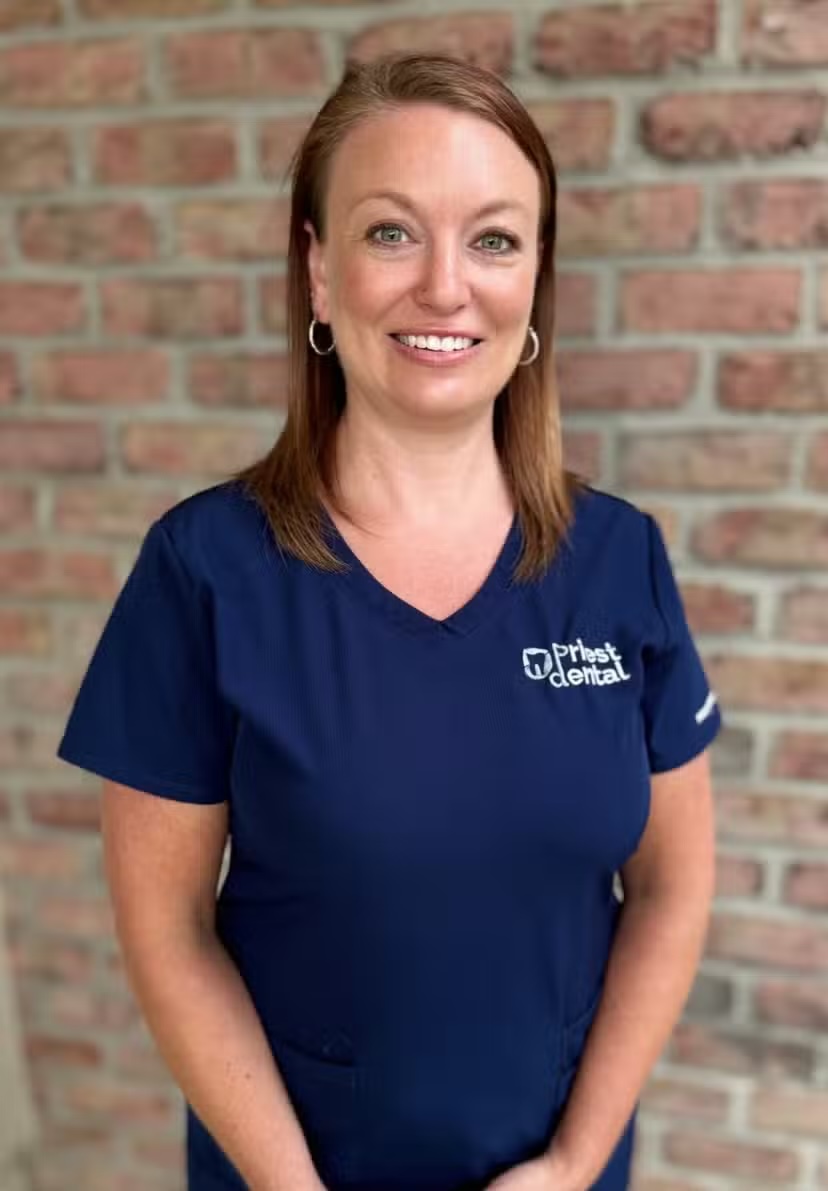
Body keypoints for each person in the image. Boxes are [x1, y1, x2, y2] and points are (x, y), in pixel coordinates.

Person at [56, 51, 722, 1191]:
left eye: (494, 239)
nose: (446, 287)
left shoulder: (621, 561)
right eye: (391, 232)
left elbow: (672, 886)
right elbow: (167, 933)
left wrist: (572, 1164)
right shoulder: (205, 570)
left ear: (536, 280)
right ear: (319, 272)